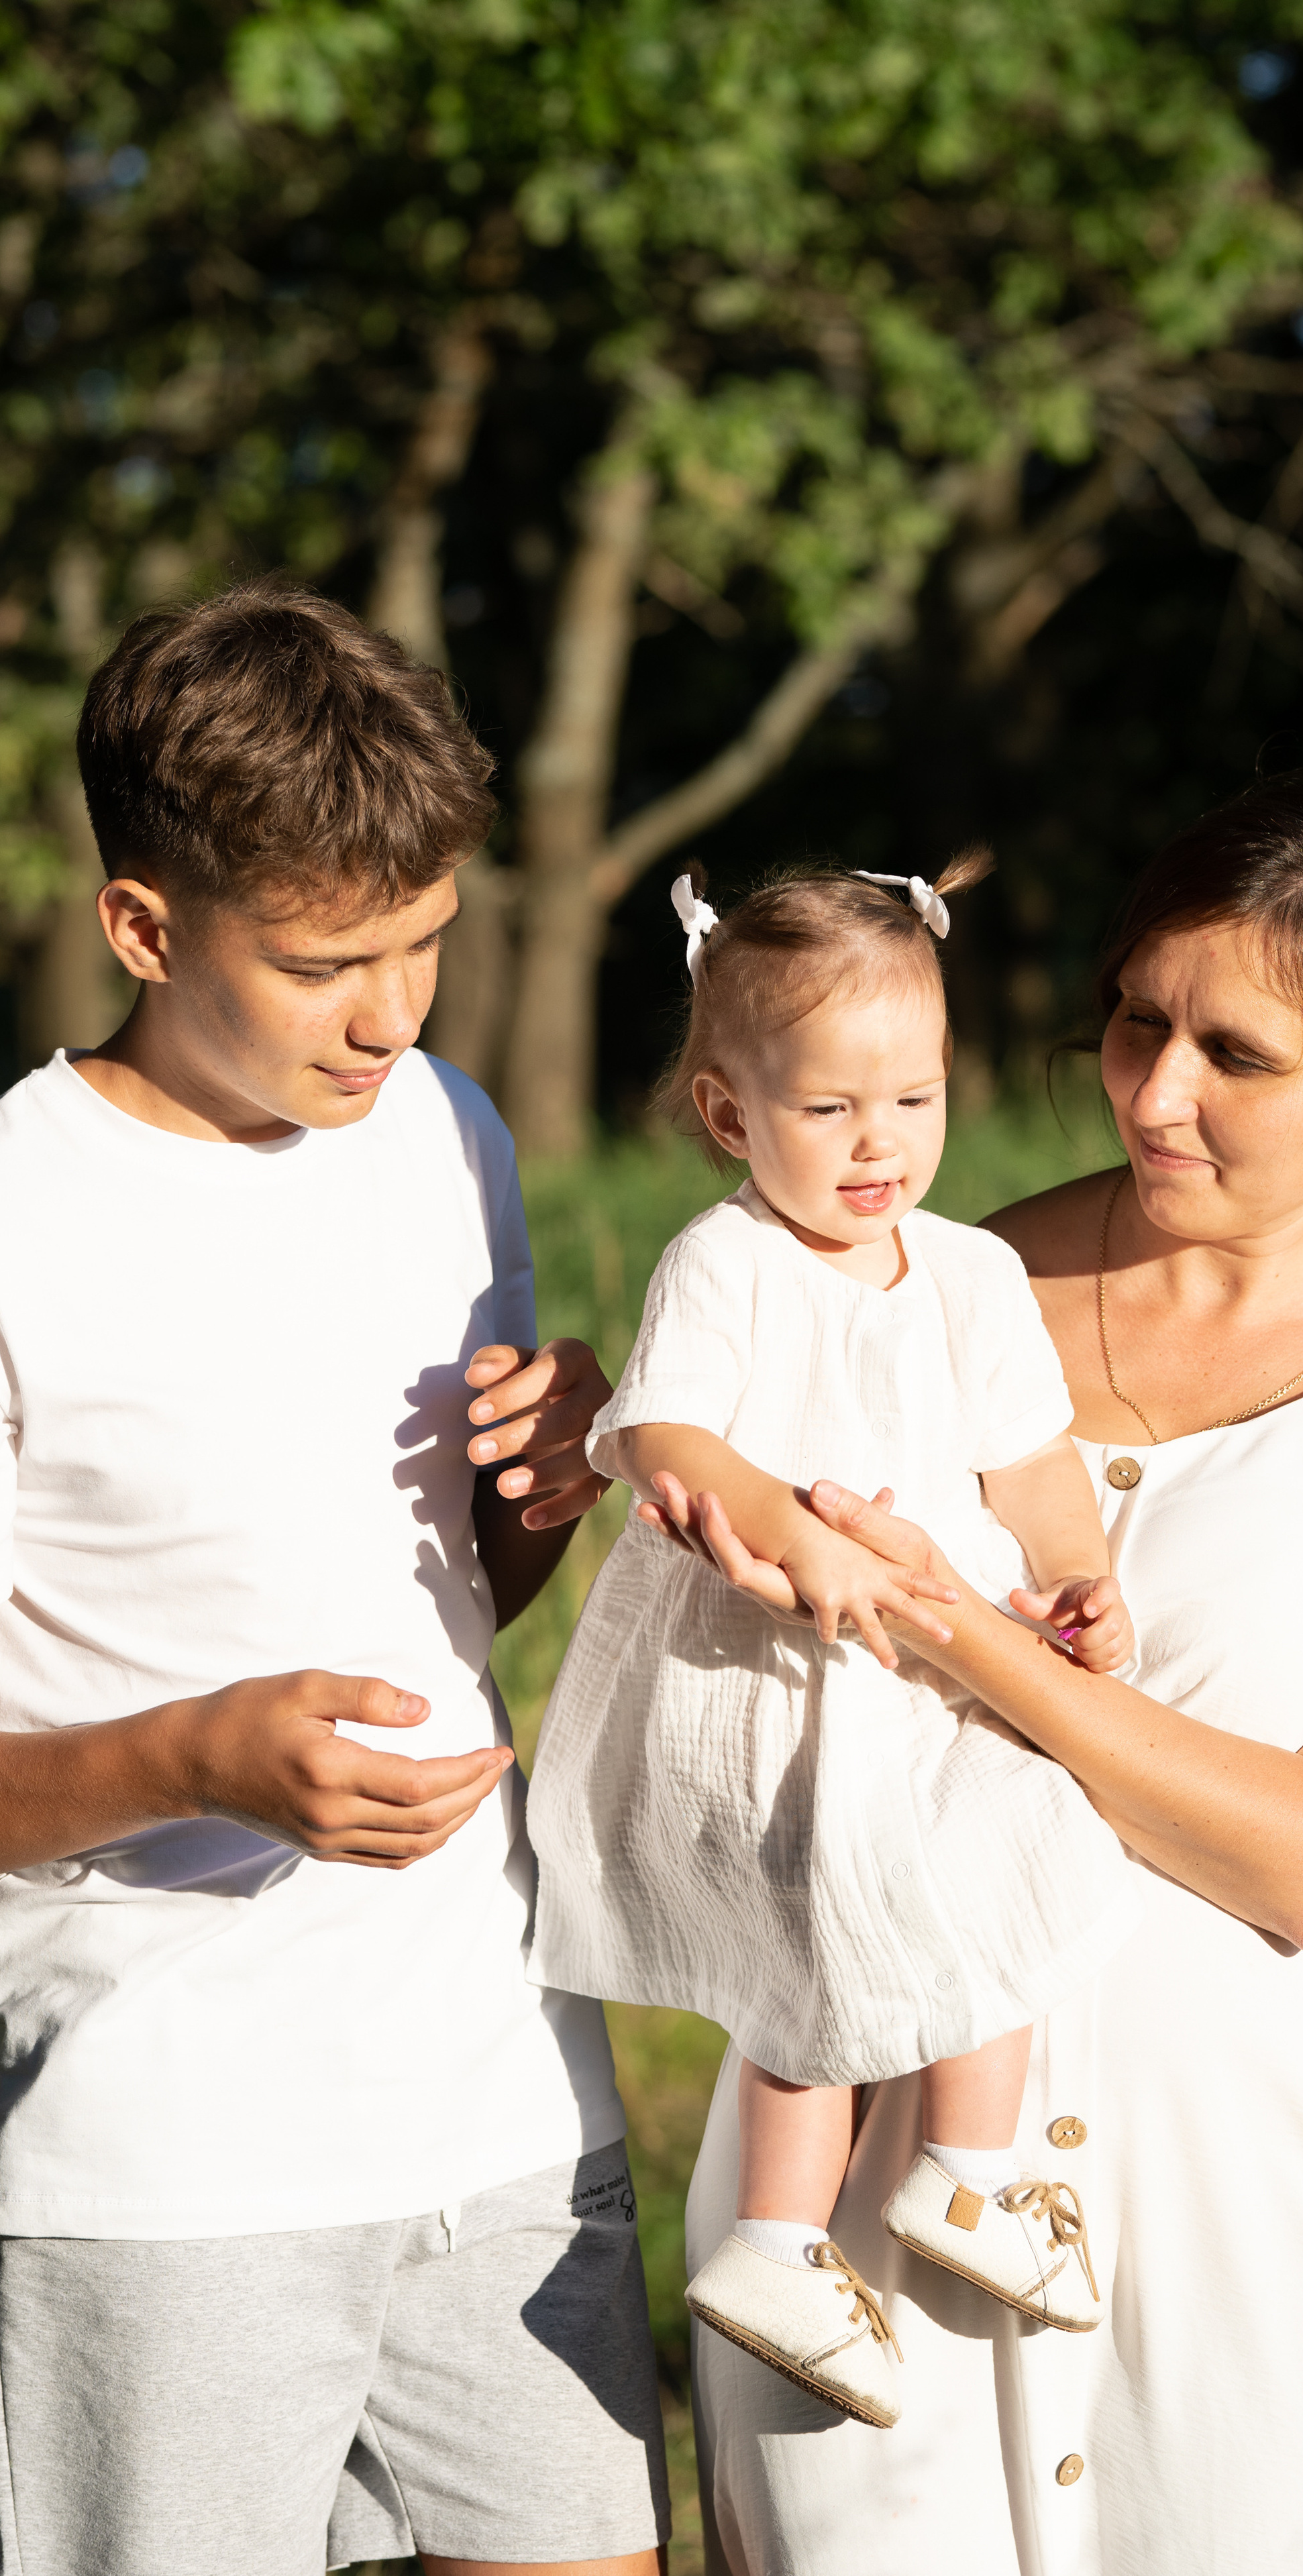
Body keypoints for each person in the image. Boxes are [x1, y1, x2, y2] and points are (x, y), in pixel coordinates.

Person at [640, 780, 1303, 2575]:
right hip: (869, 2195)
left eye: (1233, 1054)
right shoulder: (936, 1279)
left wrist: (956, 1627)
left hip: (1243, 2208)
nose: (1154, 1092)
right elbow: (704, 1558)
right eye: (1134, 1021)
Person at [0, 581, 669, 2576]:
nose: (393, 1015)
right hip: (164, 2156)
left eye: (427, 941)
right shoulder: (13, 1213)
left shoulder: (447, 1130)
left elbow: (454, 1610)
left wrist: (553, 1478)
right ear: (143, 928)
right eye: (321, 965)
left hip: (508, 2084)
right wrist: (198, 1759)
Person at [516, 859, 1137, 2431]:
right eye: (829, 1110)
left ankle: (944, 2178)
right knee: (813, 1947)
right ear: (729, 1116)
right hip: (770, 1680)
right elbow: (660, 1435)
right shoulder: (725, 1261)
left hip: (922, 1666)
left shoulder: (972, 1272)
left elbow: (1030, 1459)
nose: (880, 1145)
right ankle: (809, 2231)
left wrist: (1077, 1573)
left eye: (914, 1100)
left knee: (1011, 1839)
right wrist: (786, 1533)